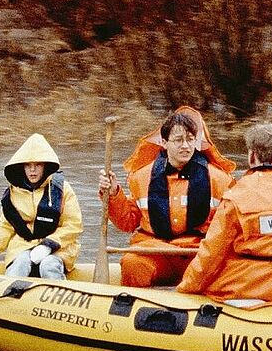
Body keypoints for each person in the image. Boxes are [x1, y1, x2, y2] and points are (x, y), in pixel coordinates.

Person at [176, 122, 272, 303]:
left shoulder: (238, 194)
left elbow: (212, 253)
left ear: (252, 156)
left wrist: (186, 289)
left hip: (252, 285)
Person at [98, 107, 236, 287]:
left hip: (197, 255)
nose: (186, 146)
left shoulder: (220, 179)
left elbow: (230, 228)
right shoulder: (140, 177)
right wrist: (114, 193)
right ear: (164, 142)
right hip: (154, 252)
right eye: (178, 140)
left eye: (190, 139)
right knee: (132, 263)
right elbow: (128, 223)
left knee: (228, 268)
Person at [0, 133, 83, 279]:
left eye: (37, 165)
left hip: (59, 248)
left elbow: (73, 225)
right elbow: (6, 227)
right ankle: (9, 299)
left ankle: (57, 298)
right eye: (28, 165)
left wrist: (48, 245)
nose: (32, 170)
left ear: (45, 166)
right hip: (22, 247)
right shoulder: (12, 193)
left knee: (48, 265)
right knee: (20, 263)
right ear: (22, 167)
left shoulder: (63, 190)